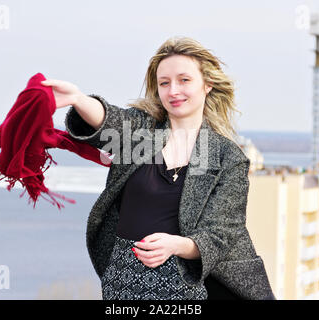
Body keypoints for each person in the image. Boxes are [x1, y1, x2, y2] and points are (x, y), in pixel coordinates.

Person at [41, 36, 275, 300]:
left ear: (207, 85)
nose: (173, 91)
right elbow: (110, 121)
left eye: (184, 80)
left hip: (187, 287)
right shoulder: (142, 132)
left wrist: (177, 245)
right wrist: (78, 98)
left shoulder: (226, 157)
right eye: (164, 83)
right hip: (125, 281)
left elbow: (222, 233)